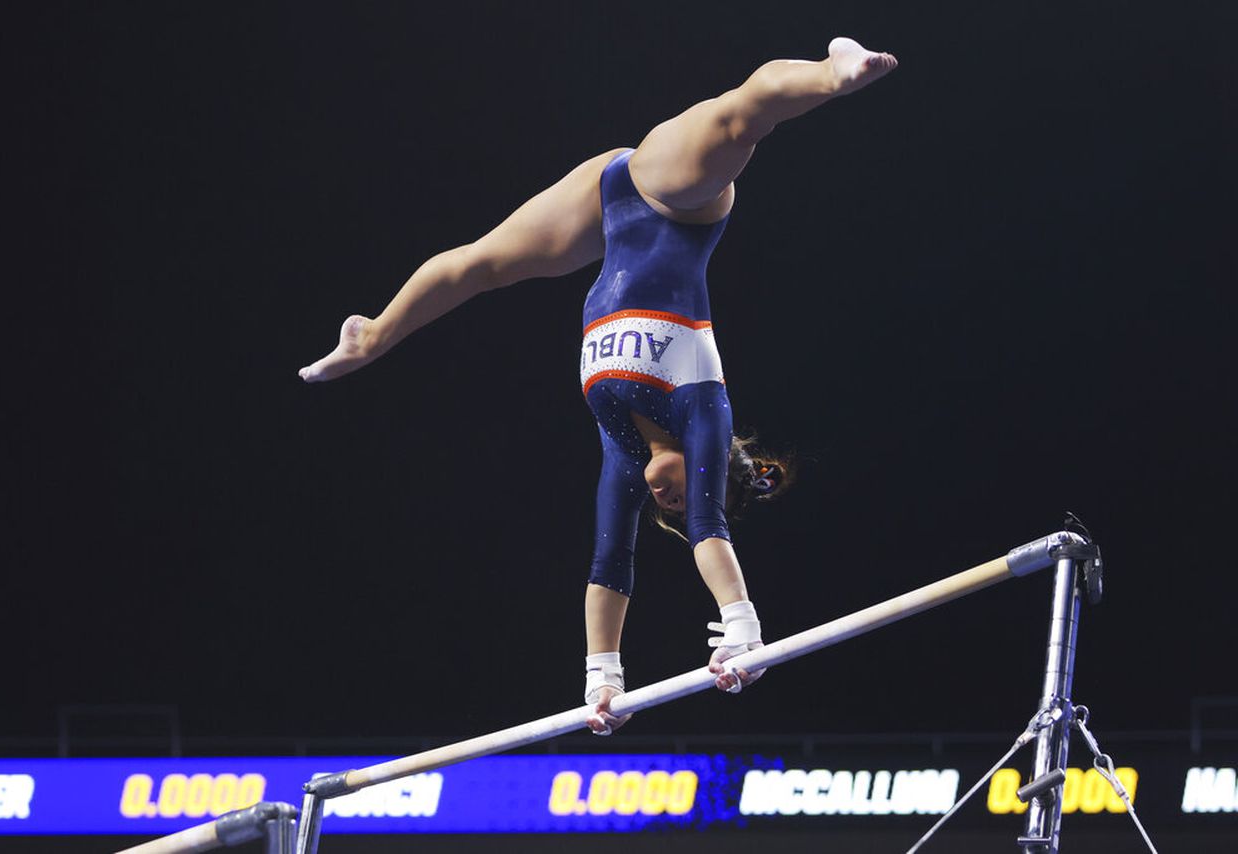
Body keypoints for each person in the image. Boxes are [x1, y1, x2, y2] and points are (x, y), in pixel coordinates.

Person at [298, 38, 897, 734]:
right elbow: (709, 524)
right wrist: (742, 628)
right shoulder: (700, 401)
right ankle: (833, 70)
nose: (666, 503)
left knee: (484, 265)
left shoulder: (622, 447)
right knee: (740, 120)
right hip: (675, 200)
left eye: (662, 511)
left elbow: (610, 561)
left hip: (607, 207)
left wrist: (602, 680)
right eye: (681, 497)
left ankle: (371, 336)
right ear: (718, 463)